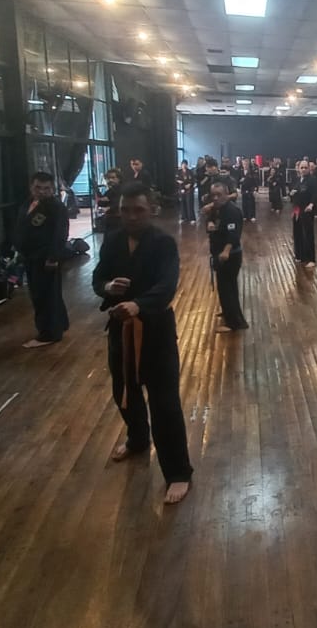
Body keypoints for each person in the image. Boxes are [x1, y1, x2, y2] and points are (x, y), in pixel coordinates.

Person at [91, 183, 192, 504]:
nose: (131, 216)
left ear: (152, 210)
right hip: (120, 329)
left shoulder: (163, 243)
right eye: (125, 210)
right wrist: (108, 287)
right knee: (125, 391)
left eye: (139, 210)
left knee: (164, 402)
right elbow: (98, 277)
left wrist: (139, 304)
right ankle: (137, 439)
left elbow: (167, 286)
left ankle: (178, 472)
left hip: (155, 331)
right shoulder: (113, 240)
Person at [14, 171, 69, 348]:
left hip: (45, 257)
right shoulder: (27, 203)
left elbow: (60, 234)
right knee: (47, 293)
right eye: (38, 187)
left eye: (47, 188)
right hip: (30, 256)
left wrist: (53, 257)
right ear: (31, 187)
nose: (42, 192)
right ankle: (59, 324)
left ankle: (48, 334)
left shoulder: (56, 207)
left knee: (44, 296)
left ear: (52, 189)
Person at [205, 181, 249, 332]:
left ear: (227, 194)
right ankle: (229, 312)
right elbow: (210, 220)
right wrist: (209, 223)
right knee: (226, 287)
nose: (215, 198)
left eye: (219, 195)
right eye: (213, 195)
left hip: (229, 256)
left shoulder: (232, 211)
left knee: (227, 288)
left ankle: (234, 323)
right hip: (218, 253)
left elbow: (234, 235)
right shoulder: (216, 209)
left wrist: (226, 251)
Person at [290, 160, 317, 269]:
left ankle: (311, 259)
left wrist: (311, 204)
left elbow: (315, 194)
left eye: (305, 167)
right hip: (297, 209)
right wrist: (291, 193)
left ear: (309, 169)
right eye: (301, 167)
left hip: (306, 209)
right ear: (298, 168)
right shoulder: (297, 180)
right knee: (297, 232)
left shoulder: (312, 180)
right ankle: (300, 255)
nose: (303, 169)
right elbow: (293, 192)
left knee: (308, 234)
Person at [97, 167, 124, 234]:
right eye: (108, 178)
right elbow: (101, 203)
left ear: (119, 179)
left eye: (113, 178)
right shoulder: (110, 191)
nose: (110, 180)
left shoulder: (123, 190)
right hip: (110, 220)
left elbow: (118, 203)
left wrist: (108, 206)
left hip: (119, 221)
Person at [175, 160, 196, 224]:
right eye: (183, 164)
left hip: (189, 190)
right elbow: (176, 179)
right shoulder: (178, 172)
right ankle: (183, 218)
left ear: (187, 165)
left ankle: (192, 218)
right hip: (181, 189)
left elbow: (193, 180)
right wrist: (179, 181)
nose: (184, 166)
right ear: (181, 165)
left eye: (185, 164)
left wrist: (190, 184)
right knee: (182, 203)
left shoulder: (190, 172)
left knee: (189, 203)